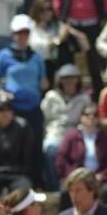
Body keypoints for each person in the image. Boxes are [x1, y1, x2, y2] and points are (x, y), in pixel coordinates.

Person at [52, 0, 107, 98]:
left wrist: (106, 11)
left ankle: (96, 98)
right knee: (68, 64)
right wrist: (59, 14)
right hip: (70, 23)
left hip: (92, 23)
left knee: (94, 65)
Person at [0, 13, 47, 147]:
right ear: (13, 34)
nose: (22, 36)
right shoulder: (4, 55)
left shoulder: (37, 57)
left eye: (25, 32)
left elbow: (43, 81)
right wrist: (0, 92)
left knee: (35, 144)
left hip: (34, 108)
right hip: (13, 108)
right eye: (18, 33)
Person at [55, 104, 107, 206]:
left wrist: (102, 176)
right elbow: (61, 159)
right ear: (81, 117)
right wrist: (72, 176)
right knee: (65, 192)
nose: (91, 117)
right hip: (75, 177)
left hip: (99, 179)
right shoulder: (71, 136)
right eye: (87, 114)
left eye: (94, 115)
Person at [41, 63, 91, 192]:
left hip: (75, 132)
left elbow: (87, 117)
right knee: (50, 150)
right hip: (55, 131)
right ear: (60, 80)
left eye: (72, 78)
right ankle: (54, 187)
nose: (68, 81)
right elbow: (44, 118)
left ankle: (75, 185)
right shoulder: (51, 96)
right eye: (65, 78)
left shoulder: (84, 99)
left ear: (77, 80)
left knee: (79, 152)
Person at [0, 95, 38, 197]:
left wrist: (25, 172)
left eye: (8, 109)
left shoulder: (23, 126)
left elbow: (28, 156)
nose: (5, 113)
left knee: (24, 193)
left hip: (17, 172)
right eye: (1, 110)